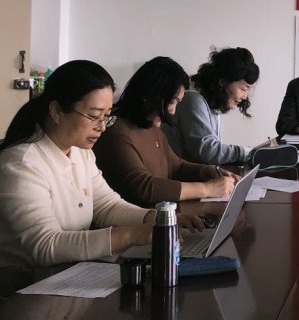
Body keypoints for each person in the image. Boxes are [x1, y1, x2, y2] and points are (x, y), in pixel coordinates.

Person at [0, 60, 200, 293]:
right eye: (94, 116)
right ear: (56, 111)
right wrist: (131, 234)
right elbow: (46, 245)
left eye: (107, 117)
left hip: (69, 277)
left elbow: (106, 205)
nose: (102, 127)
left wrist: (155, 219)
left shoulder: (80, 151)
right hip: (24, 291)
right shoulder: (21, 164)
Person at [94, 57, 238, 208]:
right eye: (171, 102)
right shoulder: (116, 131)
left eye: (177, 102)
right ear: (148, 95)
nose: (173, 111)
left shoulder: (152, 128)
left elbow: (176, 167)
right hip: (137, 220)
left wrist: (207, 171)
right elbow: (144, 187)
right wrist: (208, 189)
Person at [162, 47, 259, 164]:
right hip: (179, 174)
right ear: (223, 82)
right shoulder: (193, 100)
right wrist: (248, 153)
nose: (245, 96)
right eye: (243, 89)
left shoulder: (213, 101)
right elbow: (208, 152)